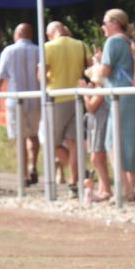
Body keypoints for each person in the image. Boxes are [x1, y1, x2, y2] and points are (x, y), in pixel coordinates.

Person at [39, 21, 91, 195]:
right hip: (77, 98)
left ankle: (75, 175)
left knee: (50, 142)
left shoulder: (48, 47)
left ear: (49, 33)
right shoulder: (80, 45)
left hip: (57, 98)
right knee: (75, 143)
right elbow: (90, 68)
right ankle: (75, 181)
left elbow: (41, 77)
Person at [97, 9, 135, 201]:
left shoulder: (113, 41)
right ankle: (130, 189)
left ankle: (124, 190)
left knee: (112, 144)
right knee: (130, 143)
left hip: (119, 97)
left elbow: (104, 71)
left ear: (115, 23)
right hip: (132, 96)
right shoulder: (128, 42)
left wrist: (95, 68)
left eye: (105, 22)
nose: (103, 27)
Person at [0, 23, 41, 186]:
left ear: (16, 35)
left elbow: (0, 76)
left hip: (15, 102)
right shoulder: (39, 50)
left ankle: (23, 175)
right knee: (34, 135)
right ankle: (33, 165)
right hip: (35, 100)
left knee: (19, 138)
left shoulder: (8, 51)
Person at [80, 54, 113, 202]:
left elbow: (91, 107)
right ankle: (102, 188)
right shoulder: (101, 86)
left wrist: (84, 93)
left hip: (101, 121)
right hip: (99, 121)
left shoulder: (102, 86)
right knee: (99, 157)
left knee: (96, 157)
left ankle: (106, 189)